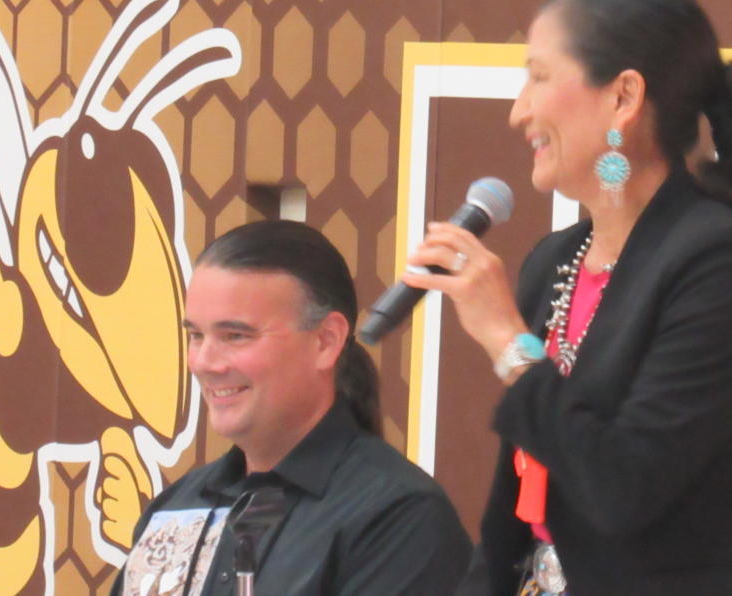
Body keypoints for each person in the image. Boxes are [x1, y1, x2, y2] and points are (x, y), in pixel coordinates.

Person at [404, 0, 732, 595]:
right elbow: (516, 515)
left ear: (623, 97)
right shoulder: (555, 261)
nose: (519, 111)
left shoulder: (723, 266)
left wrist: (510, 342)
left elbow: (623, 486)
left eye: (539, 77)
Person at [112, 220, 471, 596]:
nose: (204, 362)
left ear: (325, 340)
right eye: (196, 335)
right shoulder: (178, 507)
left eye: (235, 336)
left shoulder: (397, 516)